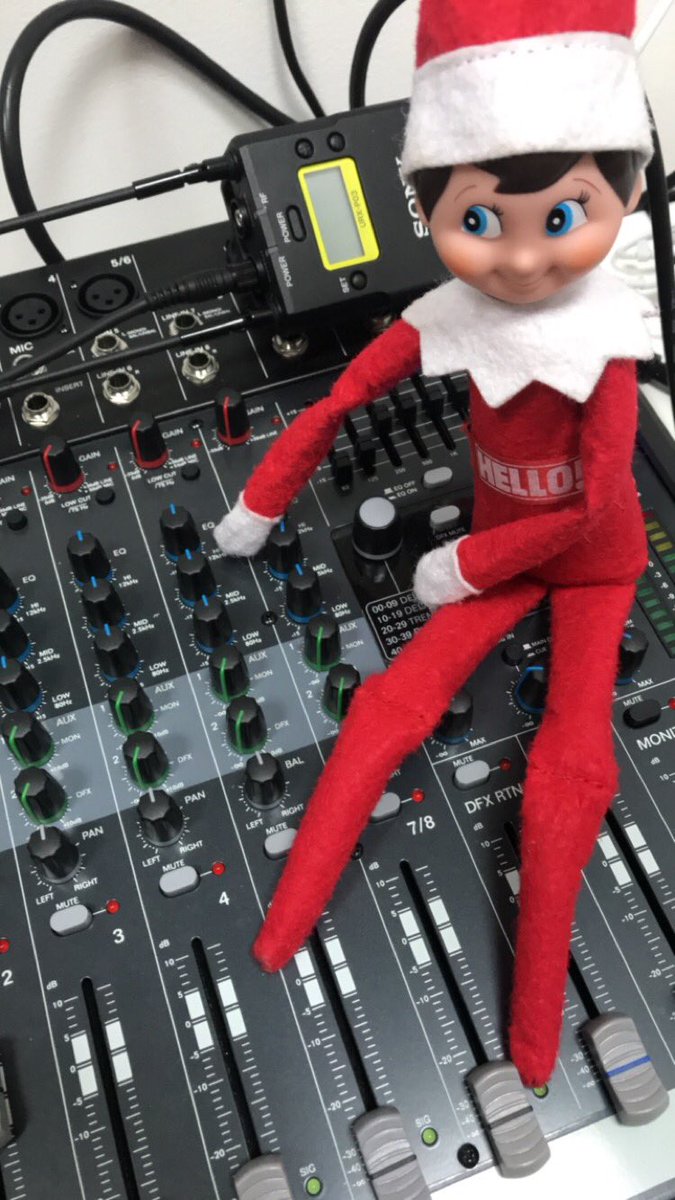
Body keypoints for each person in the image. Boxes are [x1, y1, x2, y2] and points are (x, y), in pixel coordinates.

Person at [213, 0, 654, 1086]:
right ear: (424, 210)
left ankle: (537, 1043)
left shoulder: (603, 345)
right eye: (480, 222)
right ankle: (279, 937)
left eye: (564, 217)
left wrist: (467, 566)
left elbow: (595, 508)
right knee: (386, 709)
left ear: (632, 191)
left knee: (571, 762)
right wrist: (258, 507)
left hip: (589, 566)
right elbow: (336, 405)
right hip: (497, 550)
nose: (520, 260)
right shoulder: (447, 317)